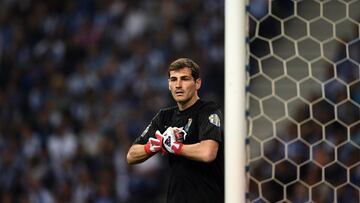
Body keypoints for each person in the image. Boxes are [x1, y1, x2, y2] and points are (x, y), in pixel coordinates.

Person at [127, 58, 224, 203]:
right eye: (173, 79)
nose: (178, 85)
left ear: (198, 83)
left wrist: (175, 147)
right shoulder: (164, 117)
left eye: (185, 79)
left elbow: (208, 152)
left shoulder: (208, 111)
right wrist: (152, 147)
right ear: (168, 85)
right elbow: (131, 155)